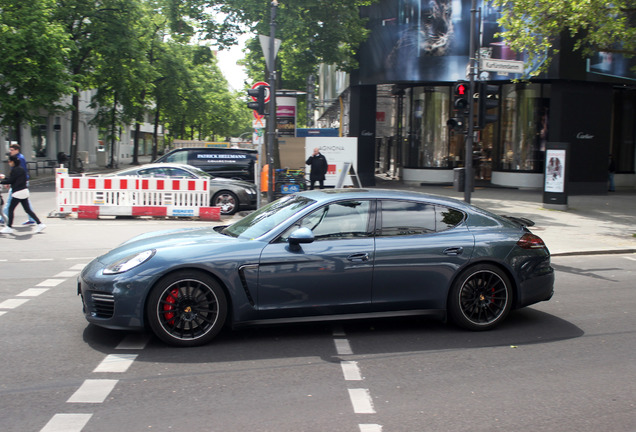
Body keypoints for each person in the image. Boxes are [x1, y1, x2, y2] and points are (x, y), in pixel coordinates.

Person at [0, 155, 46, 234]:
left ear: (12, 162)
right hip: (24, 191)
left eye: (9, 161)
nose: (8, 163)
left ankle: (9, 227)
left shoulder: (15, 170)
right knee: (27, 210)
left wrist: (2, 180)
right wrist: (5, 179)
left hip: (17, 193)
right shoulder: (21, 169)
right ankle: (40, 224)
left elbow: (11, 180)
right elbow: (13, 179)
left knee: (11, 209)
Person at [3, 144, 36, 225]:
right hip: (19, 183)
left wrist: (10, 182)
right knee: (26, 202)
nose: (10, 151)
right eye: (10, 150)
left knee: (10, 202)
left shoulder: (19, 159)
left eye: (12, 150)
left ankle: (3, 218)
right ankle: (32, 219)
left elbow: (20, 173)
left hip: (19, 184)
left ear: (17, 150)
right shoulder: (16, 158)